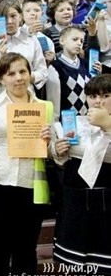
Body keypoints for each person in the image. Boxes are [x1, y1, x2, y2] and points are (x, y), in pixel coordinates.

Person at [0, 52, 53, 276]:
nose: (18, 78)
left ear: (30, 74)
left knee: (27, 246)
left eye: (23, 71)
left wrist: (49, 141)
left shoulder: (45, 107)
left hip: (31, 185)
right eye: (11, 73)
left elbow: (53, 153)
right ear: (1, 79)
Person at [51, 74, 111, 275]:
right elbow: (60, 160)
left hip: (107, 203)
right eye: (93, 96)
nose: (98, 101)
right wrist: (57, 151)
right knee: (73, 264)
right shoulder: (75, 123)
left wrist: (108, 126)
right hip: (75, 201)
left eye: (105, 95)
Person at [0, 0, 48, 97]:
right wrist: (1, 56)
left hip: (27, 97)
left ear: (20, 16)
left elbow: (43, 72)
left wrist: (24, 76)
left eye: (13, 16)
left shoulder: (32, 40)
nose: (9, 21)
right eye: (5, 17)